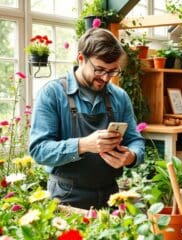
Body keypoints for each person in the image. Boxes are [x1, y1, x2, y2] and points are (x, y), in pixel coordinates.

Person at [29, 28, 145, 210]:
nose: (106, 78)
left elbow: (135, 141)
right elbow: (38, 150)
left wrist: (131, 157)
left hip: (111, 195)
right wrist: (83, 145)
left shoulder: (120, 97)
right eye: (99, 70)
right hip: (66, 195)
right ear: (81, 58)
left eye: (112, 71)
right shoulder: (52, 94)